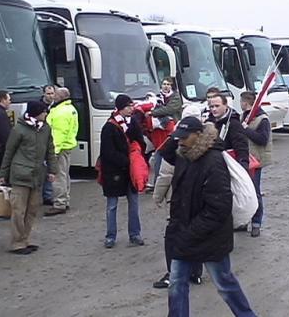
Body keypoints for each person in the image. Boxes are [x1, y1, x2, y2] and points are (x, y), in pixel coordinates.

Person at [164, 116, 257, 317]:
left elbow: (219, 208)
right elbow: (165, 157)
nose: (179, 141)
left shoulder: (213, 162)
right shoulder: (183, 155)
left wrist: (190, 232)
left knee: (224, 283)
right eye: (178, 137)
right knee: (176, 283)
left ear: (199, 135)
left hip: (210, 236)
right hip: (184, 233)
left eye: (184, 137)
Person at [153, 105, 203, 289]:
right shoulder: (207, 145)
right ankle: (196, 272)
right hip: (196, 202)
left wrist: (157, 196)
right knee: (194, 235)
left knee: (173, 237)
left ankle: (173, 273)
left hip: (178, 200)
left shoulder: (175, 145)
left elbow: (165, 174)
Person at [0, 101, 57, 255]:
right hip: (20, 175)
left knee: (32, 210)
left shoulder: (45, 129)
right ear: (36, 113)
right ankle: (17, 243)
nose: (46, 114)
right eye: (44, 112)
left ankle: (25, 239)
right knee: (18, 210)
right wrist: (3, 175)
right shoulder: (19, 129)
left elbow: (50, 150)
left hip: (37, 176)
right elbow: (9, 152)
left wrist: (53, 170)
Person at [100, 94, 144, 248]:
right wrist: (127, 161)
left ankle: (135, 234)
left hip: (130, 172)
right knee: (112, 205)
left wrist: (137, 154)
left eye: (131, 105)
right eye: (128, 106)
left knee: (134, 204)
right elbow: (107, 152)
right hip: (114, 173)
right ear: (120, 108)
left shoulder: (133, 123)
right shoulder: (109, 127)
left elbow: (141, 141)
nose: (131, 109)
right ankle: (110, 236)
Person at [240, 91, 273, 238]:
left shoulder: (262, 119)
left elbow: (262, 140)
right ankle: (243, 221)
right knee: (243, 192)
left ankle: (256, 223)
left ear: (246, 103)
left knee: (254, 192)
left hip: (256, 161)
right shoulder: (245, 116)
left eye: (241, 102)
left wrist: (246, 129)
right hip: (244, 159)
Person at [44, 87, 79, 216]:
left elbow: (57, 134)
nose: (53, 96)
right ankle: (65, 200)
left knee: (58, 177)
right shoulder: (70, 109)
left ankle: (59, 203)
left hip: (59, 148)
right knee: (64, 175)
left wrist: (54, 151)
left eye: (56, 94)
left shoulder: (59, 112)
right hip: (67, 146)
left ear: (61, 97)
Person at [149, 77, 182, 184]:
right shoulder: (157, 97)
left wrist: (153, 112)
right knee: (159, 153)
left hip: (171, 130)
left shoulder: (176, 97)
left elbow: (169, 110)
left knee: (168, 154)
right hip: (158, 131)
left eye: (168, 84)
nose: (166, 86)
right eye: (164, 84)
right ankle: (157, 181)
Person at [207, 93, 249, 170]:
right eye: (211, 107)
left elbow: (241, 145)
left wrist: (243, 165)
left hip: (229, 165)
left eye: (217, 106)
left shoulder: (234, 123)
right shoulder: (208, 122)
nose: (214, 109)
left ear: (225, 105)